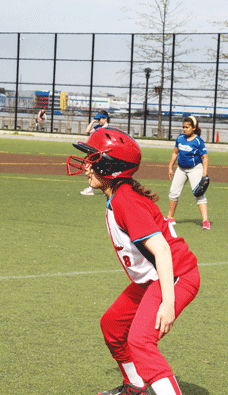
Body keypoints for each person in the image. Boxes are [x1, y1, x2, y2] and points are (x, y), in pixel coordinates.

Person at [67, 127, 200, 395]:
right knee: (113, 326)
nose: (86, 166)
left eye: (93, 159)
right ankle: (135, 387)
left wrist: (168, 303)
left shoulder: (126, 200)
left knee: (140, 341)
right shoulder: (119, 195)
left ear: (110, 166)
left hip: (176, 274)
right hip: (154, 276)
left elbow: (162, 251)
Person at [165, 116, 210, 229]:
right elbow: (175, 153)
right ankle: (170, 218)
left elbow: (205, 157)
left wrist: (204, 173)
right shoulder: (180, 138)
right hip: (181, 169)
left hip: (195, 169)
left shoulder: (198, 141)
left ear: (194, 128)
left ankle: (205, 221)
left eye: (187, 127)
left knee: (198, 193)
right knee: (173, 192)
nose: (185, 129)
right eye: (183, 127)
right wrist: (170, 167)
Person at [81, 109, 110, 196]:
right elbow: (87, 131)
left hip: (101, 152)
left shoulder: (108, 128)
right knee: (94, 170)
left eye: (100, 119)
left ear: (105, 119)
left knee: (97, 170)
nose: (99, 121)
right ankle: (93, 189)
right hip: (95, 151)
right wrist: (92, 122)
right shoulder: (98, 127)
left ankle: (92, 189)